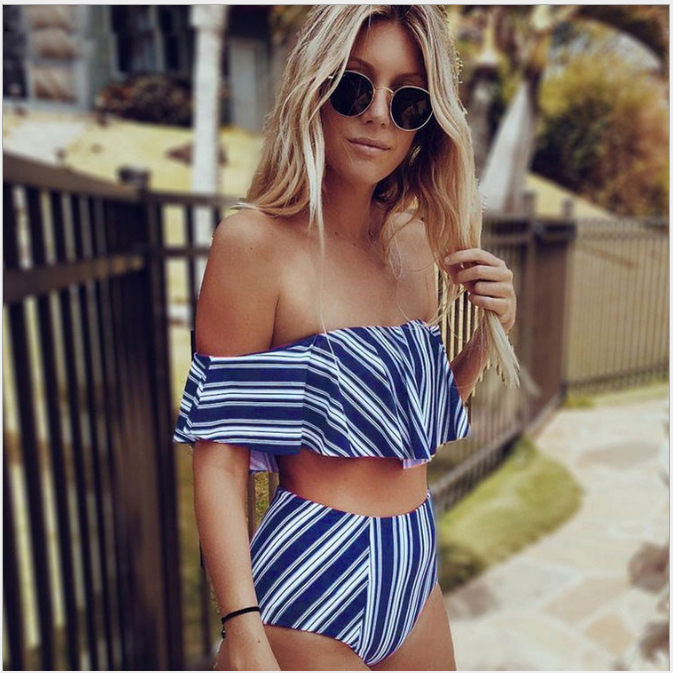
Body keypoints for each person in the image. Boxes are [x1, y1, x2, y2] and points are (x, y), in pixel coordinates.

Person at [174, 6, 519, 671]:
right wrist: (242, 629)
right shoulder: (254, 245)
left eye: (408, 99)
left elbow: (409, 425)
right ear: (315, 88)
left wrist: (488, 333)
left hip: (413, 566)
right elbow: (219, 457)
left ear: (427, 121)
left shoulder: (412, 241)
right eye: (355, 86)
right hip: (312, 576)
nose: (378, 114)